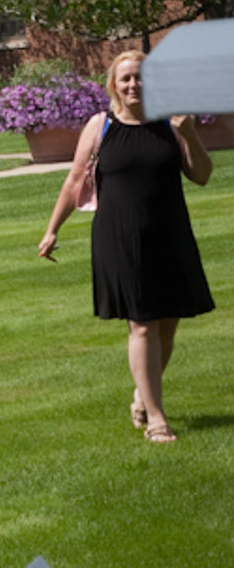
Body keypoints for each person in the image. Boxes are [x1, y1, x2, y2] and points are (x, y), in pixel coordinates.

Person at [39, 50, 213, 443]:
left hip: (170, 233)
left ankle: (141, 394)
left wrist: (190, 135)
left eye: (141, 77)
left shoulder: (171, 126)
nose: (134, 85)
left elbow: (201, 175)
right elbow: (73, 181)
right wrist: (52, 230)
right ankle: (156, 417)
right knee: (143, 324)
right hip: (120, 237)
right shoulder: (100, 126)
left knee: (169, 325)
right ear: (113, 85)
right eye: (126, 79)